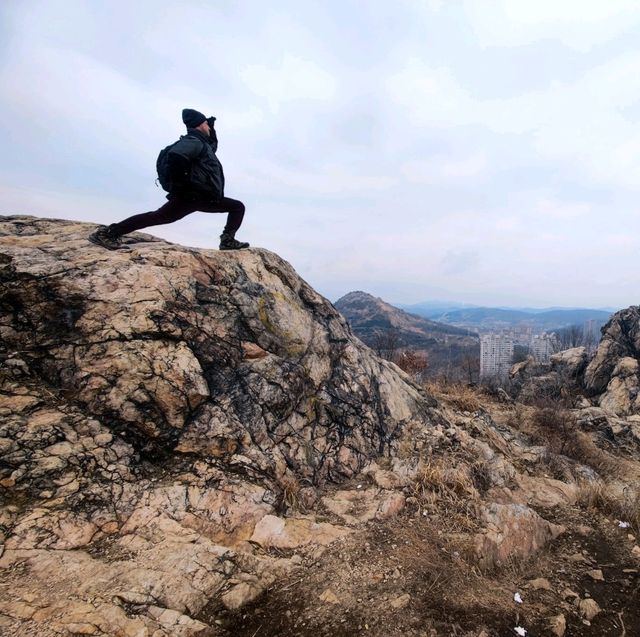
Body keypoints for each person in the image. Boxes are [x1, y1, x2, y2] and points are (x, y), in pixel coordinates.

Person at [88, 108, 249, 251]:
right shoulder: (193, 141)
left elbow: (211, 146)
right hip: (192, 195)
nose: (208, 127)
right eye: (207, 124)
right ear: (200, 124)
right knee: (159, 216)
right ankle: (108, 233)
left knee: (236, 207)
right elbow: (176, 156)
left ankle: (227, 241)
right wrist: (184, 185)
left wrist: (212, 129)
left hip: (203, 197)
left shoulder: (201, 143)